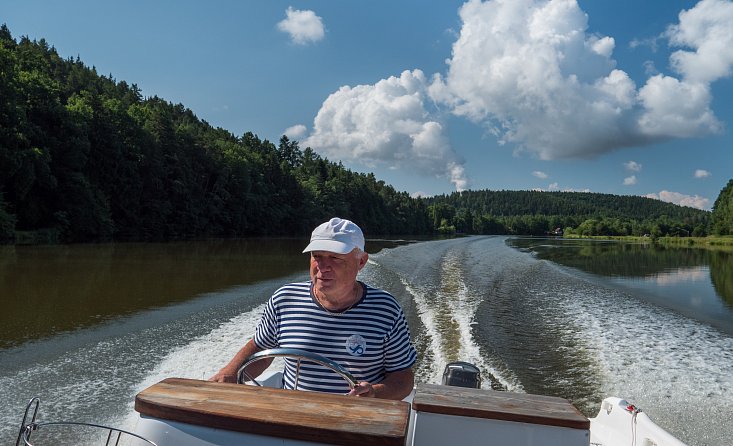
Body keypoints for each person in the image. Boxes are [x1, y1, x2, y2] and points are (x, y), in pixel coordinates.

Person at [209, 217, 417, 400]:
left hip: (358, 419)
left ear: (361, 261)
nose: (322, 266)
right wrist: (231, 372)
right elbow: (261, 348)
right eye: (317, 256)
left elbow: (403, 377)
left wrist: (375, 393)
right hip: (294, 414)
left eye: (335, 257)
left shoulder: (386, 309)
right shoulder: (284, 299)